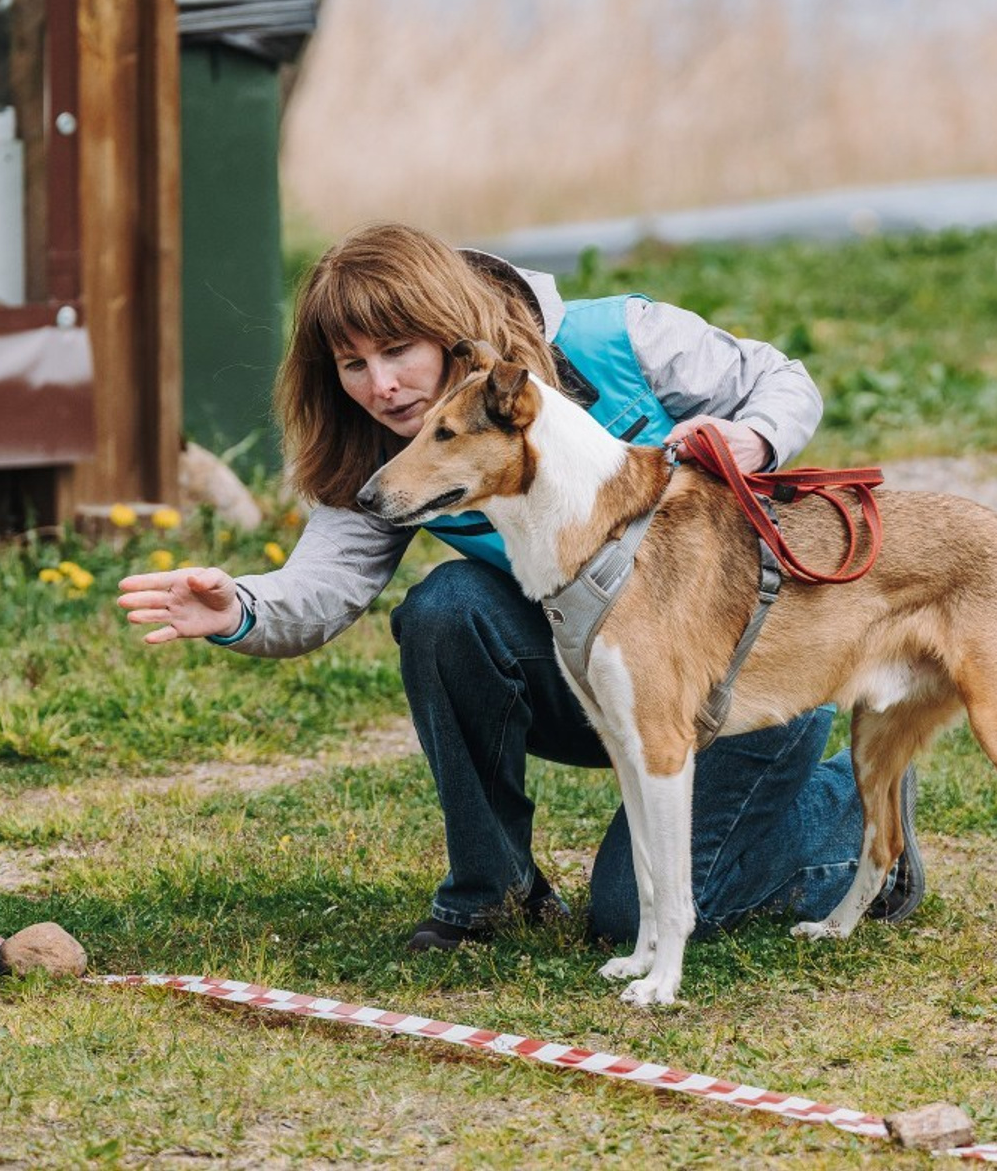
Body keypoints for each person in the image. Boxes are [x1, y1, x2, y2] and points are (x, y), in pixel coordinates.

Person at [118, 222, 923, 952]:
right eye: (353, 364)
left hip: (745, 677)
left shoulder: (616, 337)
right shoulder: (386, 452)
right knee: (445, 611)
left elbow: (782, 379)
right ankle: (494, 893)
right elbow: (321, 588)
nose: (381, 386)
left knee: (625, 918)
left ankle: (854, 815)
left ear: (449, 330)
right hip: (596, 672)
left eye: (397, 350)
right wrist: (240, 607)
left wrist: (754, 436)